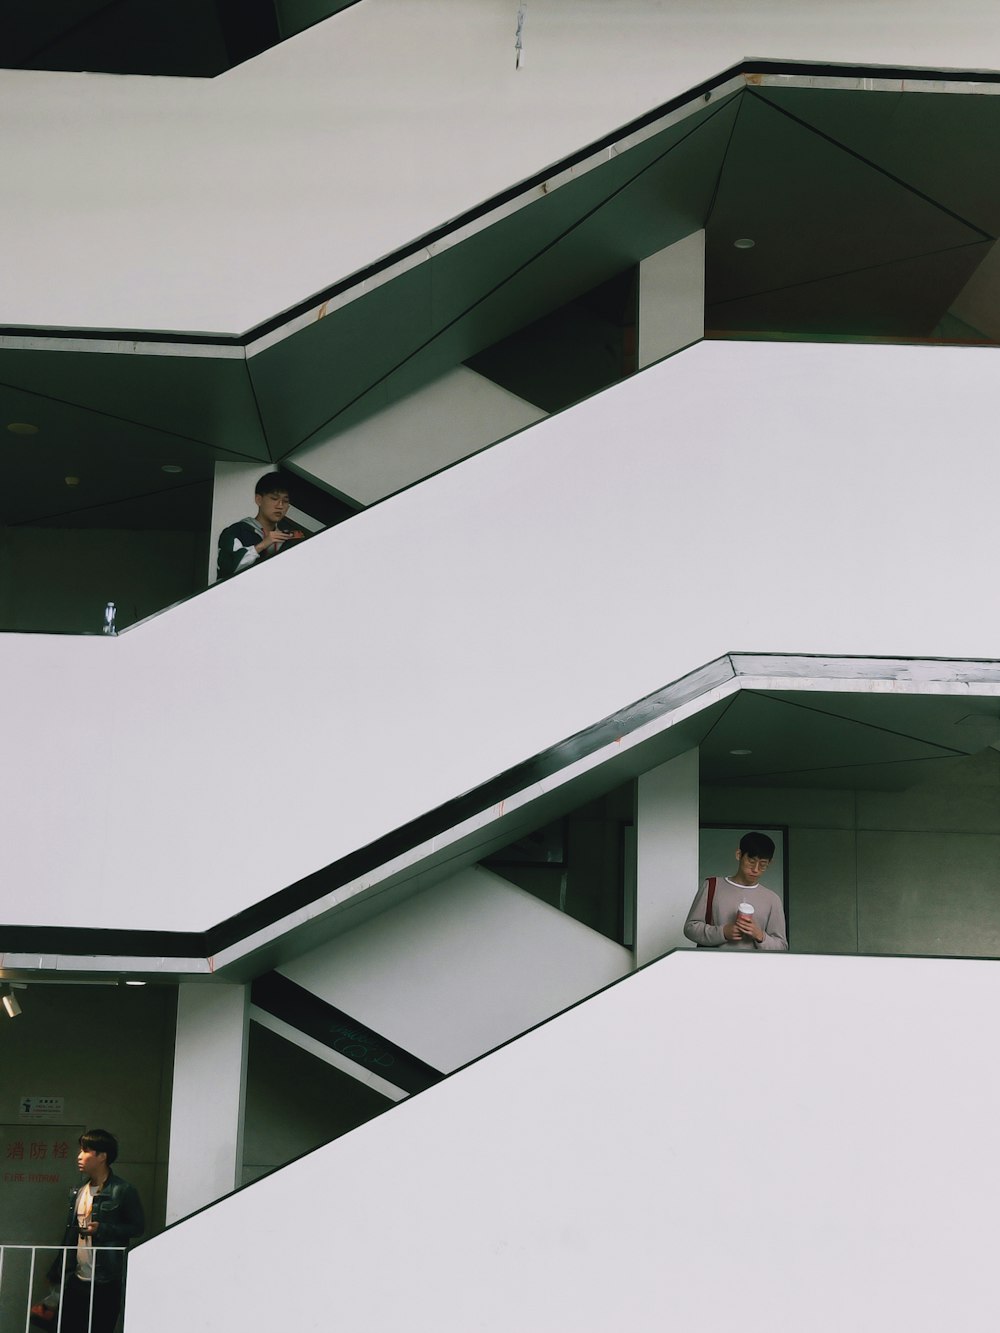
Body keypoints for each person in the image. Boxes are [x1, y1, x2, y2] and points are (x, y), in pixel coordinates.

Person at [47, 1129, 145, 1333]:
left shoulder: (123, 1190)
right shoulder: (78, 1191)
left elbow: (138, 1227)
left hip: (106, 1279)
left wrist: (103, 1229)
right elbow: (70, 1234)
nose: (79, 1156)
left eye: (85, 1151)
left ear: (102, 1156)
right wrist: (58, 1268)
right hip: (77, 1277)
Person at [683, 831, 788, 951]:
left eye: (763, 864)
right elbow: (690, 928)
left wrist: (760, 936)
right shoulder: (712, 886)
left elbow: (782, 946)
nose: (755, 869)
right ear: (739, 854)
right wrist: (722, 932)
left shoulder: (772, 899)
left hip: (755, 968)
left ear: (770, 863)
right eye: (751, 861)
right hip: (714, 965)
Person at [216, 471, 308, 580]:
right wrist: (262, 545)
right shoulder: (237, 531)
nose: (280, 505)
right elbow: (228, 570)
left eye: (285, 501)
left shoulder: (289, 539)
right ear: (259, 500)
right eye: (274, 498)